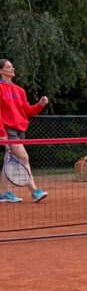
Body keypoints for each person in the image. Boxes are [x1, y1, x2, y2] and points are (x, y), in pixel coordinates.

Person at [0, 58, 48, 202]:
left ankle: (4, 194)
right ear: (1, 71)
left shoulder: (19, 90)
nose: (12, 69)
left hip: (20, 130)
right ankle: (35, 192)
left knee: (8, 160)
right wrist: (2, 133)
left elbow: (26, 111)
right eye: (9, 67)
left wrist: (40, 105)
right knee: (24, 158)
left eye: (12, 66)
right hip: (8, 130)